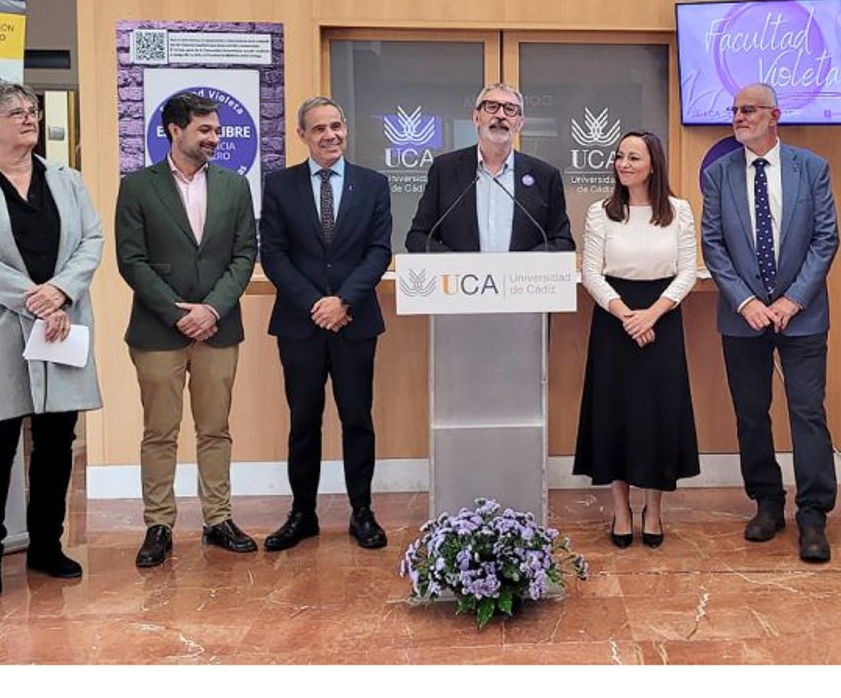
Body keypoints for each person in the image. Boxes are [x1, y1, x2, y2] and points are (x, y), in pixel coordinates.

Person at [0, 82, 103, 599]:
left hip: (61, 322)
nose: (29, 118)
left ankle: (46, 547)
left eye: (31, 110)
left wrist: (60, 292)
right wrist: (33, 298)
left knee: (58, 443)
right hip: (0, 326)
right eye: (15, 113)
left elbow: (91, 240)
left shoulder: (67, 179)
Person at [115, 91, 258, 568]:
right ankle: (158, 525)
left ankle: (218, 519)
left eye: (217, 129)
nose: (215, 138)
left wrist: (212, 309)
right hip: (158, 332)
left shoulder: (235, 187)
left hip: (219, 329)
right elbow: (130, 261)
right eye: (205, 130)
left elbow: (244, 256)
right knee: (160, 432)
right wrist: (178, 314)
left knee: (215, 430)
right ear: (175, 131)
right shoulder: (137, 186)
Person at [700, 82, 839, 563]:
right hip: (743, 320)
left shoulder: (811, 168)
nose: (738, 117)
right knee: (751, 413)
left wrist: (792, 301)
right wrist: (746, 303)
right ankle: (766, 503)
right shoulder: (718, 174)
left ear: (774, 115)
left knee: (807, 412)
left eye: (749, 110)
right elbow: (713, 245)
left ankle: (814, 514)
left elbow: (826, 239)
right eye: (735, 110)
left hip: (802, 317)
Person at [259, 96, 393, 550]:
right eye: (319, 129)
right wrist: (317, 303)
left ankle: (362, 512)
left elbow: (379, 251)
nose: (330, 135)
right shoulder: (280, 185)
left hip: (355, 322)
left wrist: (343, 301)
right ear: (302, 135)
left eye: (336, 126)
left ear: (346, 130)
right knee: (303, 422)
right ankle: (303, 513)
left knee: (358, 419)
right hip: (301, 325)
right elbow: (273, 253)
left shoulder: (373, 184)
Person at [573, 131, 699, 549]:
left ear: (653, 164)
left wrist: (652, 314)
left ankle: (655, 510)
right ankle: (621, 510)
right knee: (616, 416)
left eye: (633, 157)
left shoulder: (679, 211)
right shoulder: (601, 212)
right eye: (619, 156)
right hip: (615, 319)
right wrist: (627, 315)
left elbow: (687, 271)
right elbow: (591, 272)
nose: (623, 164)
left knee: (658, 416)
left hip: (662, 316)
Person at [404, 82, 574, 253]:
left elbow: (562, 241)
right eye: (491, 107)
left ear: (520, 123)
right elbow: (418, 237)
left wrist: (524, 265)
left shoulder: (545, 176)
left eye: (510, 109)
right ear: (476, 117)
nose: (500, 115)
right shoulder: (445, 170)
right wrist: (456, 264)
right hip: (463, 277)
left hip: (521, 278)